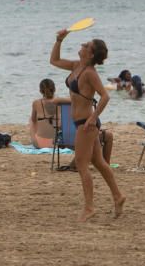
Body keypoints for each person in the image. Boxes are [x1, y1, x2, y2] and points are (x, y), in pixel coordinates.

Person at [50, 29, 125, 221]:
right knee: (98, 162)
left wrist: (93, 118)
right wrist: (59, 40)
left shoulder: (90, 73)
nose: (82, 46)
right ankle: (118, 196)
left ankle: (89, 208)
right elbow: (54, 61)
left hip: (86, 124)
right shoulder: (76, 66)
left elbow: (105, 96)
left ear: (90, 54)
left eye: (86, 45)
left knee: (82, 165)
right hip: (82, 123)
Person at [28, 79, 68, 149]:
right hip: (57, 144)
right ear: (54, 89)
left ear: (40, 91)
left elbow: (33, 120)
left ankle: (39, 136)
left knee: (31, 120)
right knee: (60, 119)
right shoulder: (60, 101)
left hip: (39, 144)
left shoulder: (36, 103)